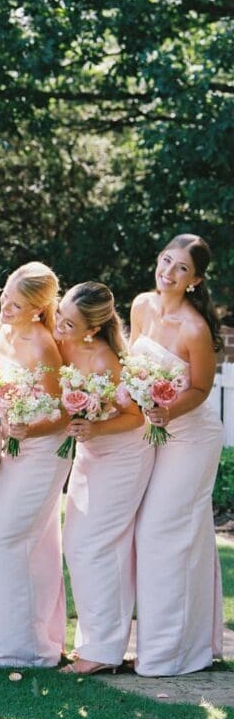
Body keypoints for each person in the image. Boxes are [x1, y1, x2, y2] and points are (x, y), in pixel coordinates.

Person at [130, 234, 225, 676]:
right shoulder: (141, 306)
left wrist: (167, 409)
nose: (168, 271)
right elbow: (133, 368)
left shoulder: (195, 328)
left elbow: (201, 389)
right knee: (184, 536)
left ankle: (170, 654)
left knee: (160, 536)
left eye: (181, 268)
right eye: (166, 260)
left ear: (195, 280)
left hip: (190, 436)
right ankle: (198, 643)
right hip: (156, 434)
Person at [56, 282, 152, 675]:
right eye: (59, 315)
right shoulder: (63, 344)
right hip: (91, 454)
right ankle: (94, 643)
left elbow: (136, 418)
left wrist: (95, 429)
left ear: (91, 330)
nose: (58, 325)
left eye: (67, 322)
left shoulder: (107, 361)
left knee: (95, 546)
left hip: (123, 455)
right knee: (78, 544)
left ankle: (103, 651)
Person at [0, 262, 68, 668]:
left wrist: (25, 428)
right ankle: (21, 636)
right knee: (30, 545)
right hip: (9, 450)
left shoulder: (44, 346)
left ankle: (22, 650)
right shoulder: (0, 329)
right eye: (5, 296)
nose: (6, 306)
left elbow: (62, 414)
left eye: (17, 303)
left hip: (41, 452)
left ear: (38, 308)